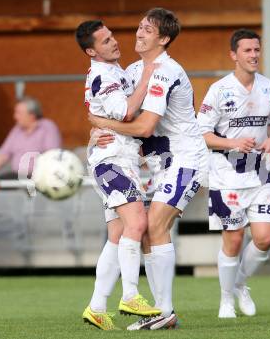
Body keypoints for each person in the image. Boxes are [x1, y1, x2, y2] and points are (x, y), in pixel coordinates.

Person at [89, 7, 209, 330]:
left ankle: (163, 311)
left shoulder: (165, 71)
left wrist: (102, 122)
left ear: (164, 38)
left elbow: (143, 127)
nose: (138, 33)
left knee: (154, 224)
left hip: (186, 159)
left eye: (147, 30)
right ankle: (160, 312)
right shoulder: (132, 71)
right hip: (160, 166)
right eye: (139, 27)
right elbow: (120, 113)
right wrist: (98, 129)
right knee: (144, 234)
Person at [75, 20, 161, 330]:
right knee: (138, 222)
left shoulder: (113, 71)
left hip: (117, 158)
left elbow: (103, 116)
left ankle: (97, 306)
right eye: (105, 40)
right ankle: (130, 295)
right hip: (111, 162)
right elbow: (124, 111)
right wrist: (148, 76)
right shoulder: (103, 74)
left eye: (112, 36)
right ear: (91, 50)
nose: (114, 42)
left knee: (117, 236)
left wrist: (98, 127)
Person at [196, 29, 270, 318]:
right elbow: (202, 133)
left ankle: (239, 284)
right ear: (234, 55)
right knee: (233, 241)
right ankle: (225, 300)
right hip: (226, 176)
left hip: (259, 176)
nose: (254, 55)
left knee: (265, 239)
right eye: (247, 50)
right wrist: (233, 142)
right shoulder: (219, 90)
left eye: (257, 49)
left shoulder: (269, 87)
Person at [0, 97, 61, 180]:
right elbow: (4, 154)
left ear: (32, 115)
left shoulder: (47, 127)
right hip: (16, 175)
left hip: (38, 177)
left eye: (18, 113)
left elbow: (52, 155)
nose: (15, 117)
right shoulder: (17, 129)